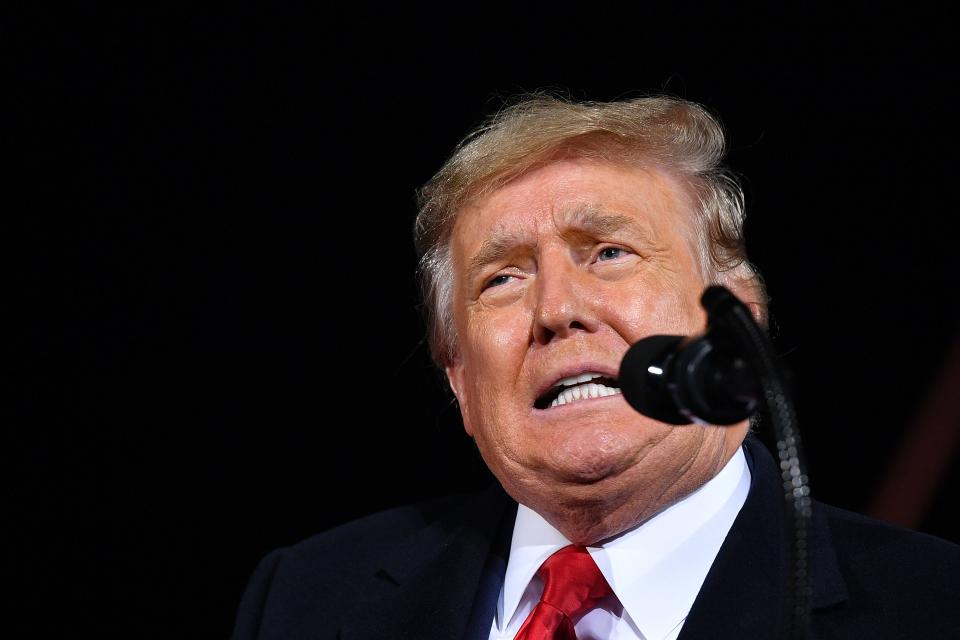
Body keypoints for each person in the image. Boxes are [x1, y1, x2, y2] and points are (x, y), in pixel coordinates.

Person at [230, 95, 959, 639]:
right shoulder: (307, 600)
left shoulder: (931, 605)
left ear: (736, 327)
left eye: (609, 253)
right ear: (458, 377)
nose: (556, 309)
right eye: (503, 279)